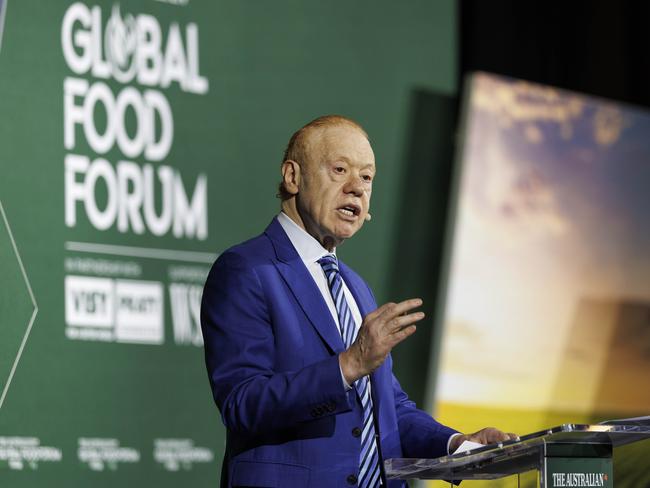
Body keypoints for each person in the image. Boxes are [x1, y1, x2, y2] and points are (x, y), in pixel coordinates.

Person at [201, 115, 515, 488]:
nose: (357, 189)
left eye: (367, 178)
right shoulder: (247, 269)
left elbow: (388, 410)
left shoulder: (354, 286)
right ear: (292, 177)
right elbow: (243, 403)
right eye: (340, 170)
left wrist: (456, 444)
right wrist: (347, 366)